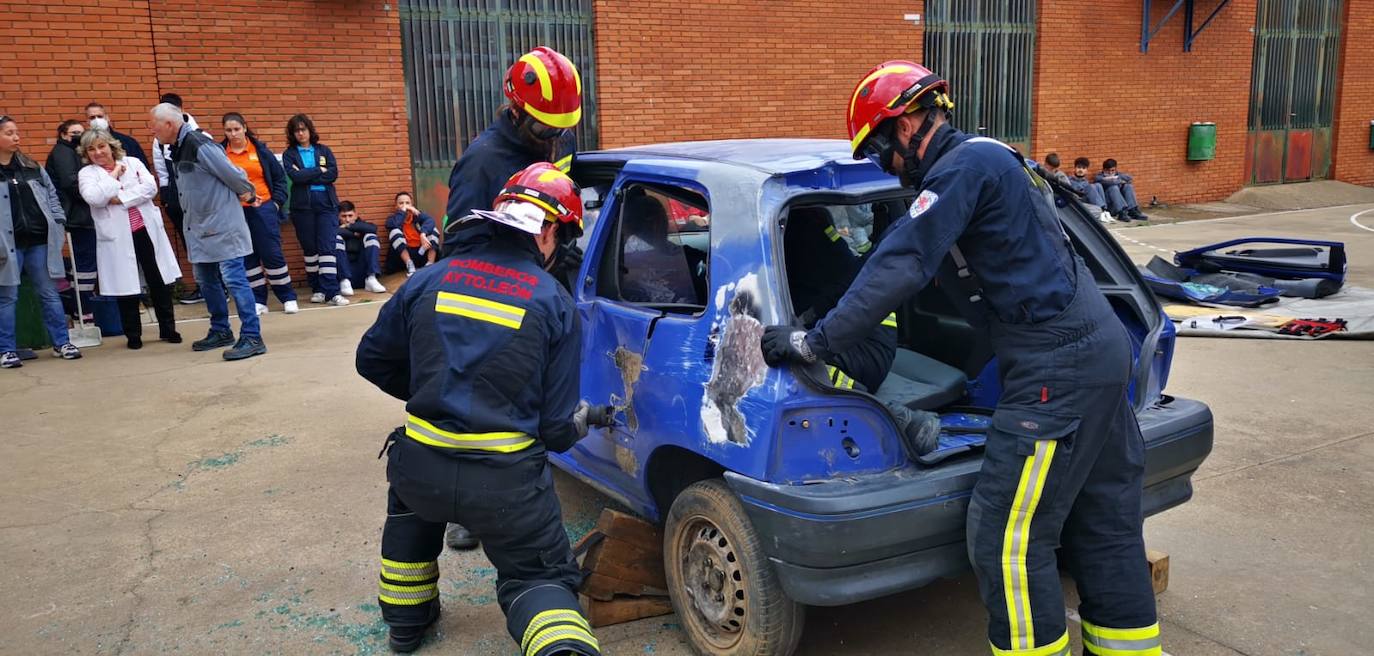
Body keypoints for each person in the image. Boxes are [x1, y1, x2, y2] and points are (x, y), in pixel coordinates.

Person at [760, 61, 1160, 656]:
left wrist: (814, 342)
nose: (884, 168)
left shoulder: (961, 170)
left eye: (878, 153)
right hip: (1099, 350)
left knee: (1006, 540)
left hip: (1056, 371)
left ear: (902, 128)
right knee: (1104, 522)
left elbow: (901, 262)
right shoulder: (995, 158)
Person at [356, 163, 601, 655]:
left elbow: (372, 359)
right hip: (506, 483)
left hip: (420, 467)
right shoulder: (553, 301)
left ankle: (405, 626)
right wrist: (581, 423)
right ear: (547, 232)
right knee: (538, 576)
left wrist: (431, 390)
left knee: (408, 526)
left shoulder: (430, 279)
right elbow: (555, 428)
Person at [439, 45, 584, 552]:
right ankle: (465, 509)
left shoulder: (553, 138)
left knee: (528, 396)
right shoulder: (484, 162)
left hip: (544, 279)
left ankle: (523, 479)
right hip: (496, 291)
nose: (552, 138)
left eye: (560, 128)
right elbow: (459, 241)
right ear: (516, 109)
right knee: (480, 400)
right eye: (544, 127)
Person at [150, 103, 266, 361]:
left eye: (154, 126)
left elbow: (231, 173)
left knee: (234, 279)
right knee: (206, 280)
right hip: (199, 228)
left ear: (169, 124)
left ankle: (252, 336)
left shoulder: (200, 144)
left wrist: (248, 192)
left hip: (222, 225)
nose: (153, 132)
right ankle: (221, 330)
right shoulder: (177, 148)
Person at [77, 129, 181, 348]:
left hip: (144, 229)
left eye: (101, 146)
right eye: (91, 149)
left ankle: (168, 329)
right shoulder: (87, 173)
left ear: (111, 145)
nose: (98, 152)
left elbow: (150, 188)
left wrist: (121, 198)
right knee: (126, 286)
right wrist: (114, 174)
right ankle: (133, 335)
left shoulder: (132, 162)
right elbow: (95, 198)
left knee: (158, 280)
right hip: (117, 236)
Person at [0, 115, 83, 368]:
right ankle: (6, 350)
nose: (16, 137)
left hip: (39, 241)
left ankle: (62, 343)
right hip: (6, 246)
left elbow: (52, 195)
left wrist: (58, 221)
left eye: (16, 132)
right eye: (9, 133)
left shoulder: (32, 166)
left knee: (49, 292)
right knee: (7, 297)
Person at [221, 113, 299, 315]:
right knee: (248, 256)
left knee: (272, 253)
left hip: (263, 208)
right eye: (228, 130)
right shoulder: (220, 154)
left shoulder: (261, 151)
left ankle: (288, 297)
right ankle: (258, 300)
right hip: (236, 211)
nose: (233, 134)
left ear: (245, 128)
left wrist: (276, 204)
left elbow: (279, 179)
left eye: (237, 129)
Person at [281, 113, 346, 306]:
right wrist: (319, 170)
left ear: (310, 130)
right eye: (296, 131)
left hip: (326, 204)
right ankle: (317, 289)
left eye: (303, 129)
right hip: (302, 207)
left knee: (327, 247)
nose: (300, 133)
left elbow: (333, 174)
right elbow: (295, 177)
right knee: (310, 249)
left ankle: (332, 292)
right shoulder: (289, 154)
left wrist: (306, 174)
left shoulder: (324, 150)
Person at [150, 93, 206, 304]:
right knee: (189, 241)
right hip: (176, 195)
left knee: (206, 241)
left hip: (198, 196)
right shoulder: (159, 140)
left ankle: (216, 286)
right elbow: (161, 169)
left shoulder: (200, 136)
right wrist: (166, 195)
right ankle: (203, 285)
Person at [44, 120, 99, 309]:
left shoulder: (73, 151)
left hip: (79, 214)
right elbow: (70, 183)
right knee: (85, 263)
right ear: (63, 134)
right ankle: (84, 308)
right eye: (74, 132)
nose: (79, 136)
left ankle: (81, 306)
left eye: (81, 132)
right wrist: (95, 196)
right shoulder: (63, 152)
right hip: (77, 216)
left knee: (84, 264)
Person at [335, 201, 387, 294]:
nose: (347, 219)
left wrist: (348, 226)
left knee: (371, 236)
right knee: (336, 238)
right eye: (344, 216)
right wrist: (353, 234)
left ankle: (371, 278)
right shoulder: (334, 226)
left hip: (363, 271)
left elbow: (373, 229)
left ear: (355, 215)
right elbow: (332, 232)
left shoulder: (363, 225)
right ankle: (344, 280)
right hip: (342, 275)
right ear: (338, 216)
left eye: (350, 216)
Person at [384, 192, 439, 277]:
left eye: (407, 203)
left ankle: (429, 265)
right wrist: (403, 211)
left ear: (412, 205)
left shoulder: (418, 216)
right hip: (404, 256)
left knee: (434, 230)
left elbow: (430, 220)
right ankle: (410, 265)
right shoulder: (392, 219)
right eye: (401, 203)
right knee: (394, 231)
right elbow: (395, 224)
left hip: (421, 251)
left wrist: (423, 234)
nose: (405, 205)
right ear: (396, 206)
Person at [84, 102, 149, 167]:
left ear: (107, 118)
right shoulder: (84, 144)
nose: (96, 120)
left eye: (100, 116)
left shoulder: (128, 142)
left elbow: (143, 166)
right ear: (87, 121)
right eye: (92, 117)